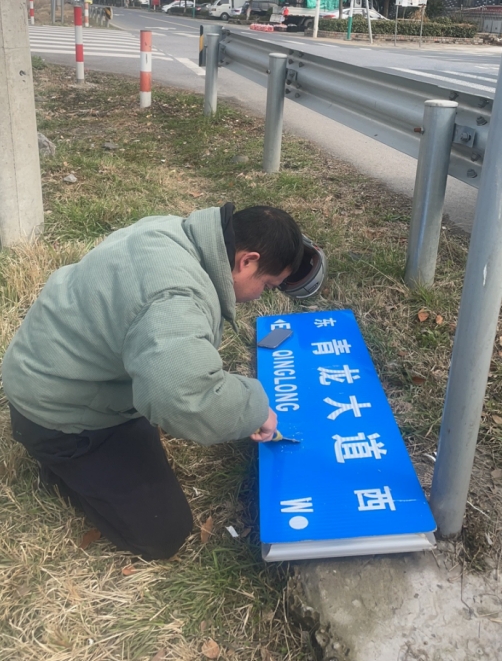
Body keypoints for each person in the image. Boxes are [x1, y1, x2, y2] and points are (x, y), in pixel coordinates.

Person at [2, 203, 324, 561]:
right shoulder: (175, 298)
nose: (260, 296)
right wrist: (255, 408)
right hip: (57, 412)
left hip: (51, 362)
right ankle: (60, 463)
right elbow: (184, 397)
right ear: (247, 261)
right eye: (266, 285)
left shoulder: (173, 231)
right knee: (162, 532)